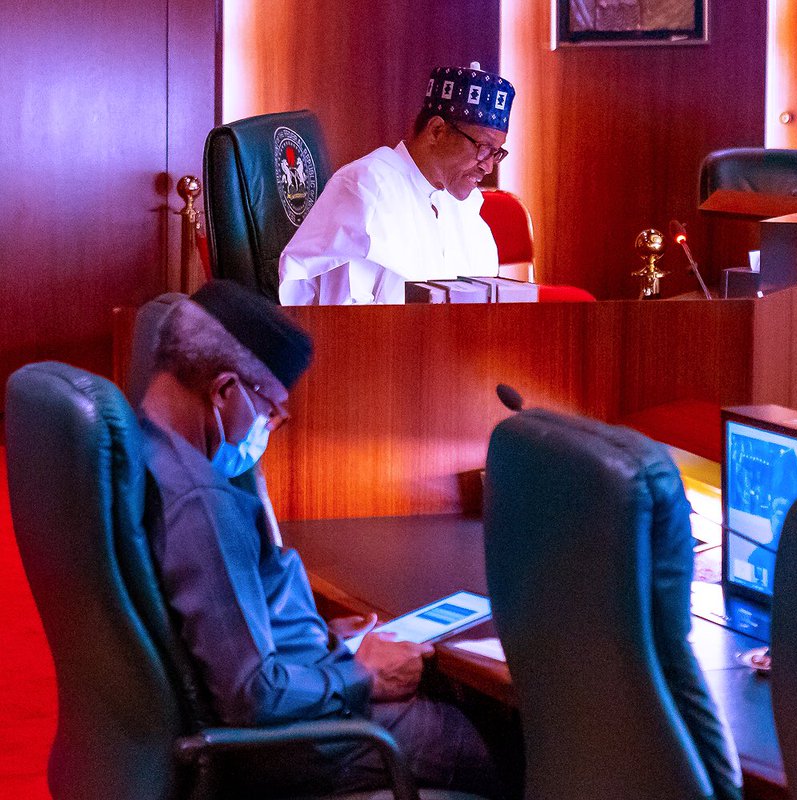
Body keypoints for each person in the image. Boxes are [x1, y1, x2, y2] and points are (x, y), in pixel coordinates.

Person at [138, 280, 502, 796]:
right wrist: (363, 675)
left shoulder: (152, 451)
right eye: (270, 411)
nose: (271, 428)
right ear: (224, 392)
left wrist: (322, 639)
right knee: (520, 741)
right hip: (313, 744)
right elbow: (253, 695)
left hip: (306, 707)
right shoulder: (200, 500)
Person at [278, 63, 515, 305]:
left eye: (496, 153)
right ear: (437, 131)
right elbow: (341, 318)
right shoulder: (368, 186)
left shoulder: (463, 205)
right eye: (483, 148)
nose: (487, 167)